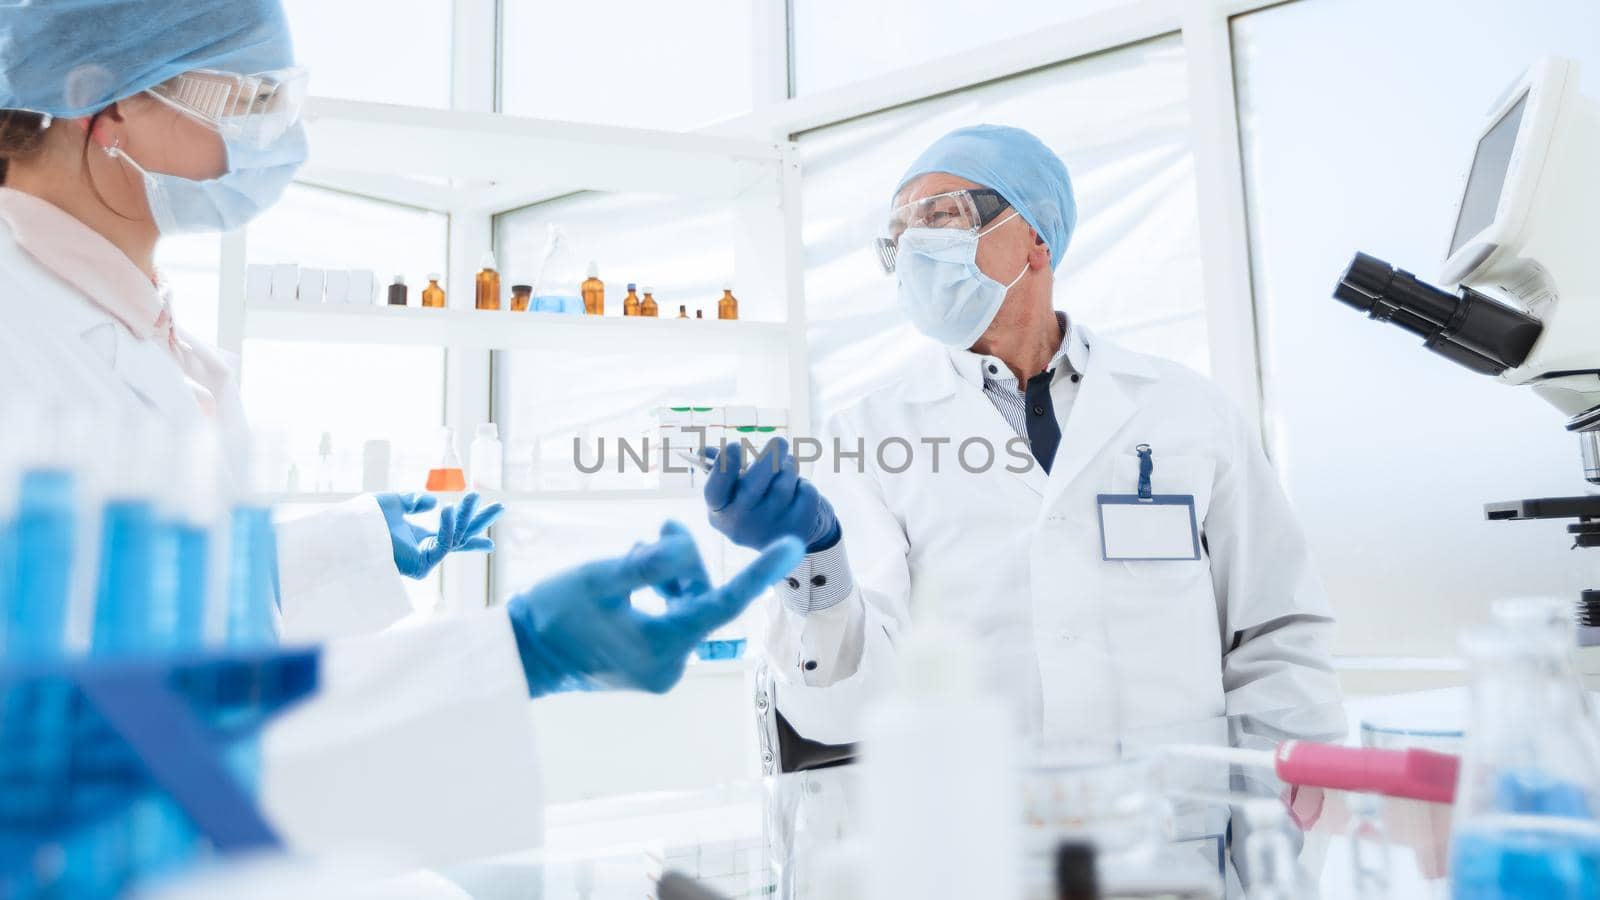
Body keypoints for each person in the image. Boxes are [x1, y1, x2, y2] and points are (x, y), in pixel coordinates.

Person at [0, 0, 804, 869]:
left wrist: (341, 546)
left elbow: (141, 603)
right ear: (111, 105)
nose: (279, 138)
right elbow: (82, 728)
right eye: (247, 99)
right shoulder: (22, 334)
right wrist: (519, 653)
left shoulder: (125, 321)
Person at [700, 125, 1341, 747]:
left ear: (1036, 236)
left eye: (941, 216)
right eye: (898, 236)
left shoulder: (1186, 410)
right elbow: (843, 713)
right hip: (986, 831)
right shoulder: (868, 437)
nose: (914, 247)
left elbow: (1276, 633)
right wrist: (819, 568)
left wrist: (1270, 811)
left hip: (1175, 829)